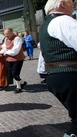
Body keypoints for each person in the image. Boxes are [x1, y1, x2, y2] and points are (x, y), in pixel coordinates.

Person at [39, 0, 77, 136]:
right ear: (62, 4)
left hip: (55, 76)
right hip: (70, 75)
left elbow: (43, 56)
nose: (73, 6)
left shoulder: (45, 26)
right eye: (71, 3)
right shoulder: (64, 21)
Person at [0, 28, 27, 93]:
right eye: (5, 34)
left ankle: (19, 87)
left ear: (11, 32)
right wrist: (0, 52)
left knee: (15, 74)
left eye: (7, 34)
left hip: (17, 59)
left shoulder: (17, 39)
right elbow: (4, 47)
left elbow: (15, 51)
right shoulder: (6, 39)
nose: (6, 36)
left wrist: (6, 52)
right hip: (8, 59)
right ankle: (22, 82)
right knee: (10, 74)